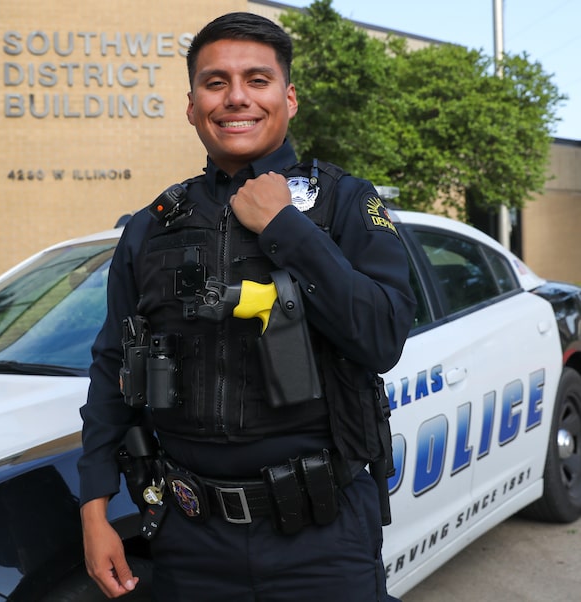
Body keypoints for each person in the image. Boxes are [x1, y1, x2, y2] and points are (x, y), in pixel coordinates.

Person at [77, 11, 416, 601]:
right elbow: (113, 367)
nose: (237, 98)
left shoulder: (345, 202)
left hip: (324, 537)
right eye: (216, 82)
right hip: (190, 537)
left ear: (289, 97)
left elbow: (382, 335)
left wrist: (286, 226)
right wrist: (94, 504)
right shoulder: (150, 228)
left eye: (257, 80)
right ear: (191, 105)